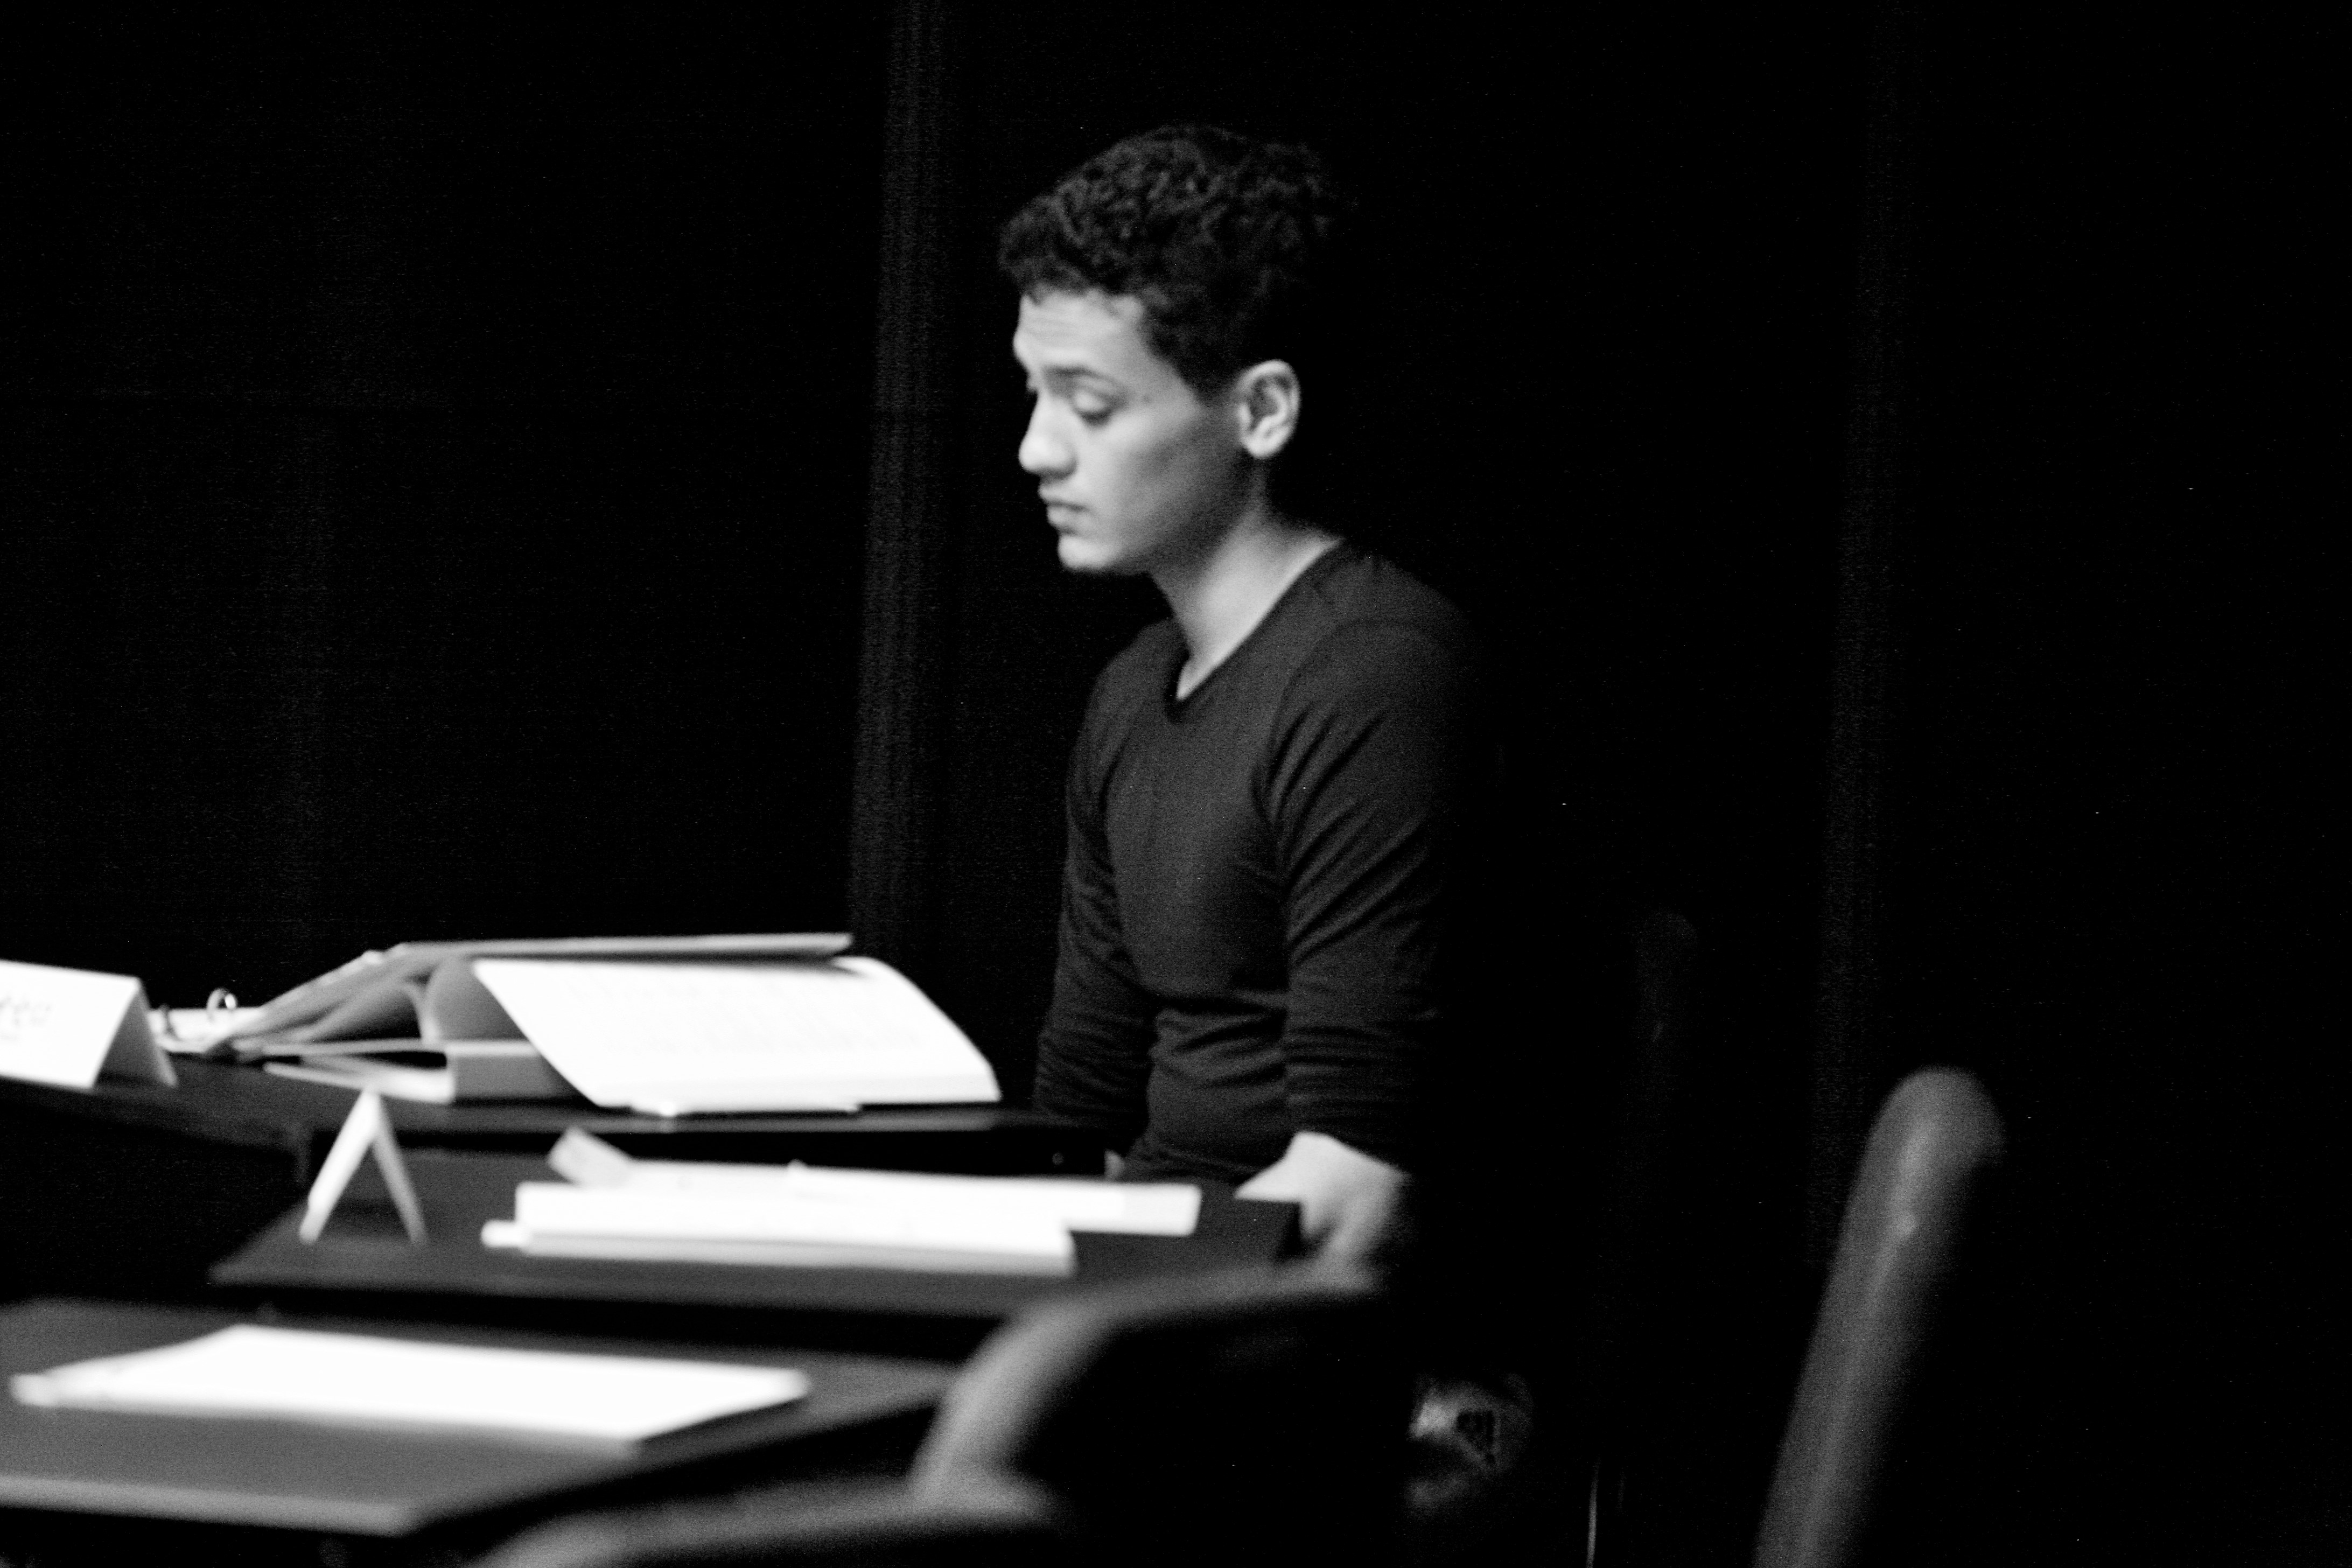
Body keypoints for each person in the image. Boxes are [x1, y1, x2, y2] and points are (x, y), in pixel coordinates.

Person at [1002, 125, 1490, 1276]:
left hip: (1315, 1335)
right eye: (1035, 393)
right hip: (1164, 1298)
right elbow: (1082, 1128)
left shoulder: (1377, 679)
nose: (1035, 450)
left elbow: (1358, 1195)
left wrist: (1072, 1306)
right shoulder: (1133, 691)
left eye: (1089, 403)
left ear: (1261, 410)